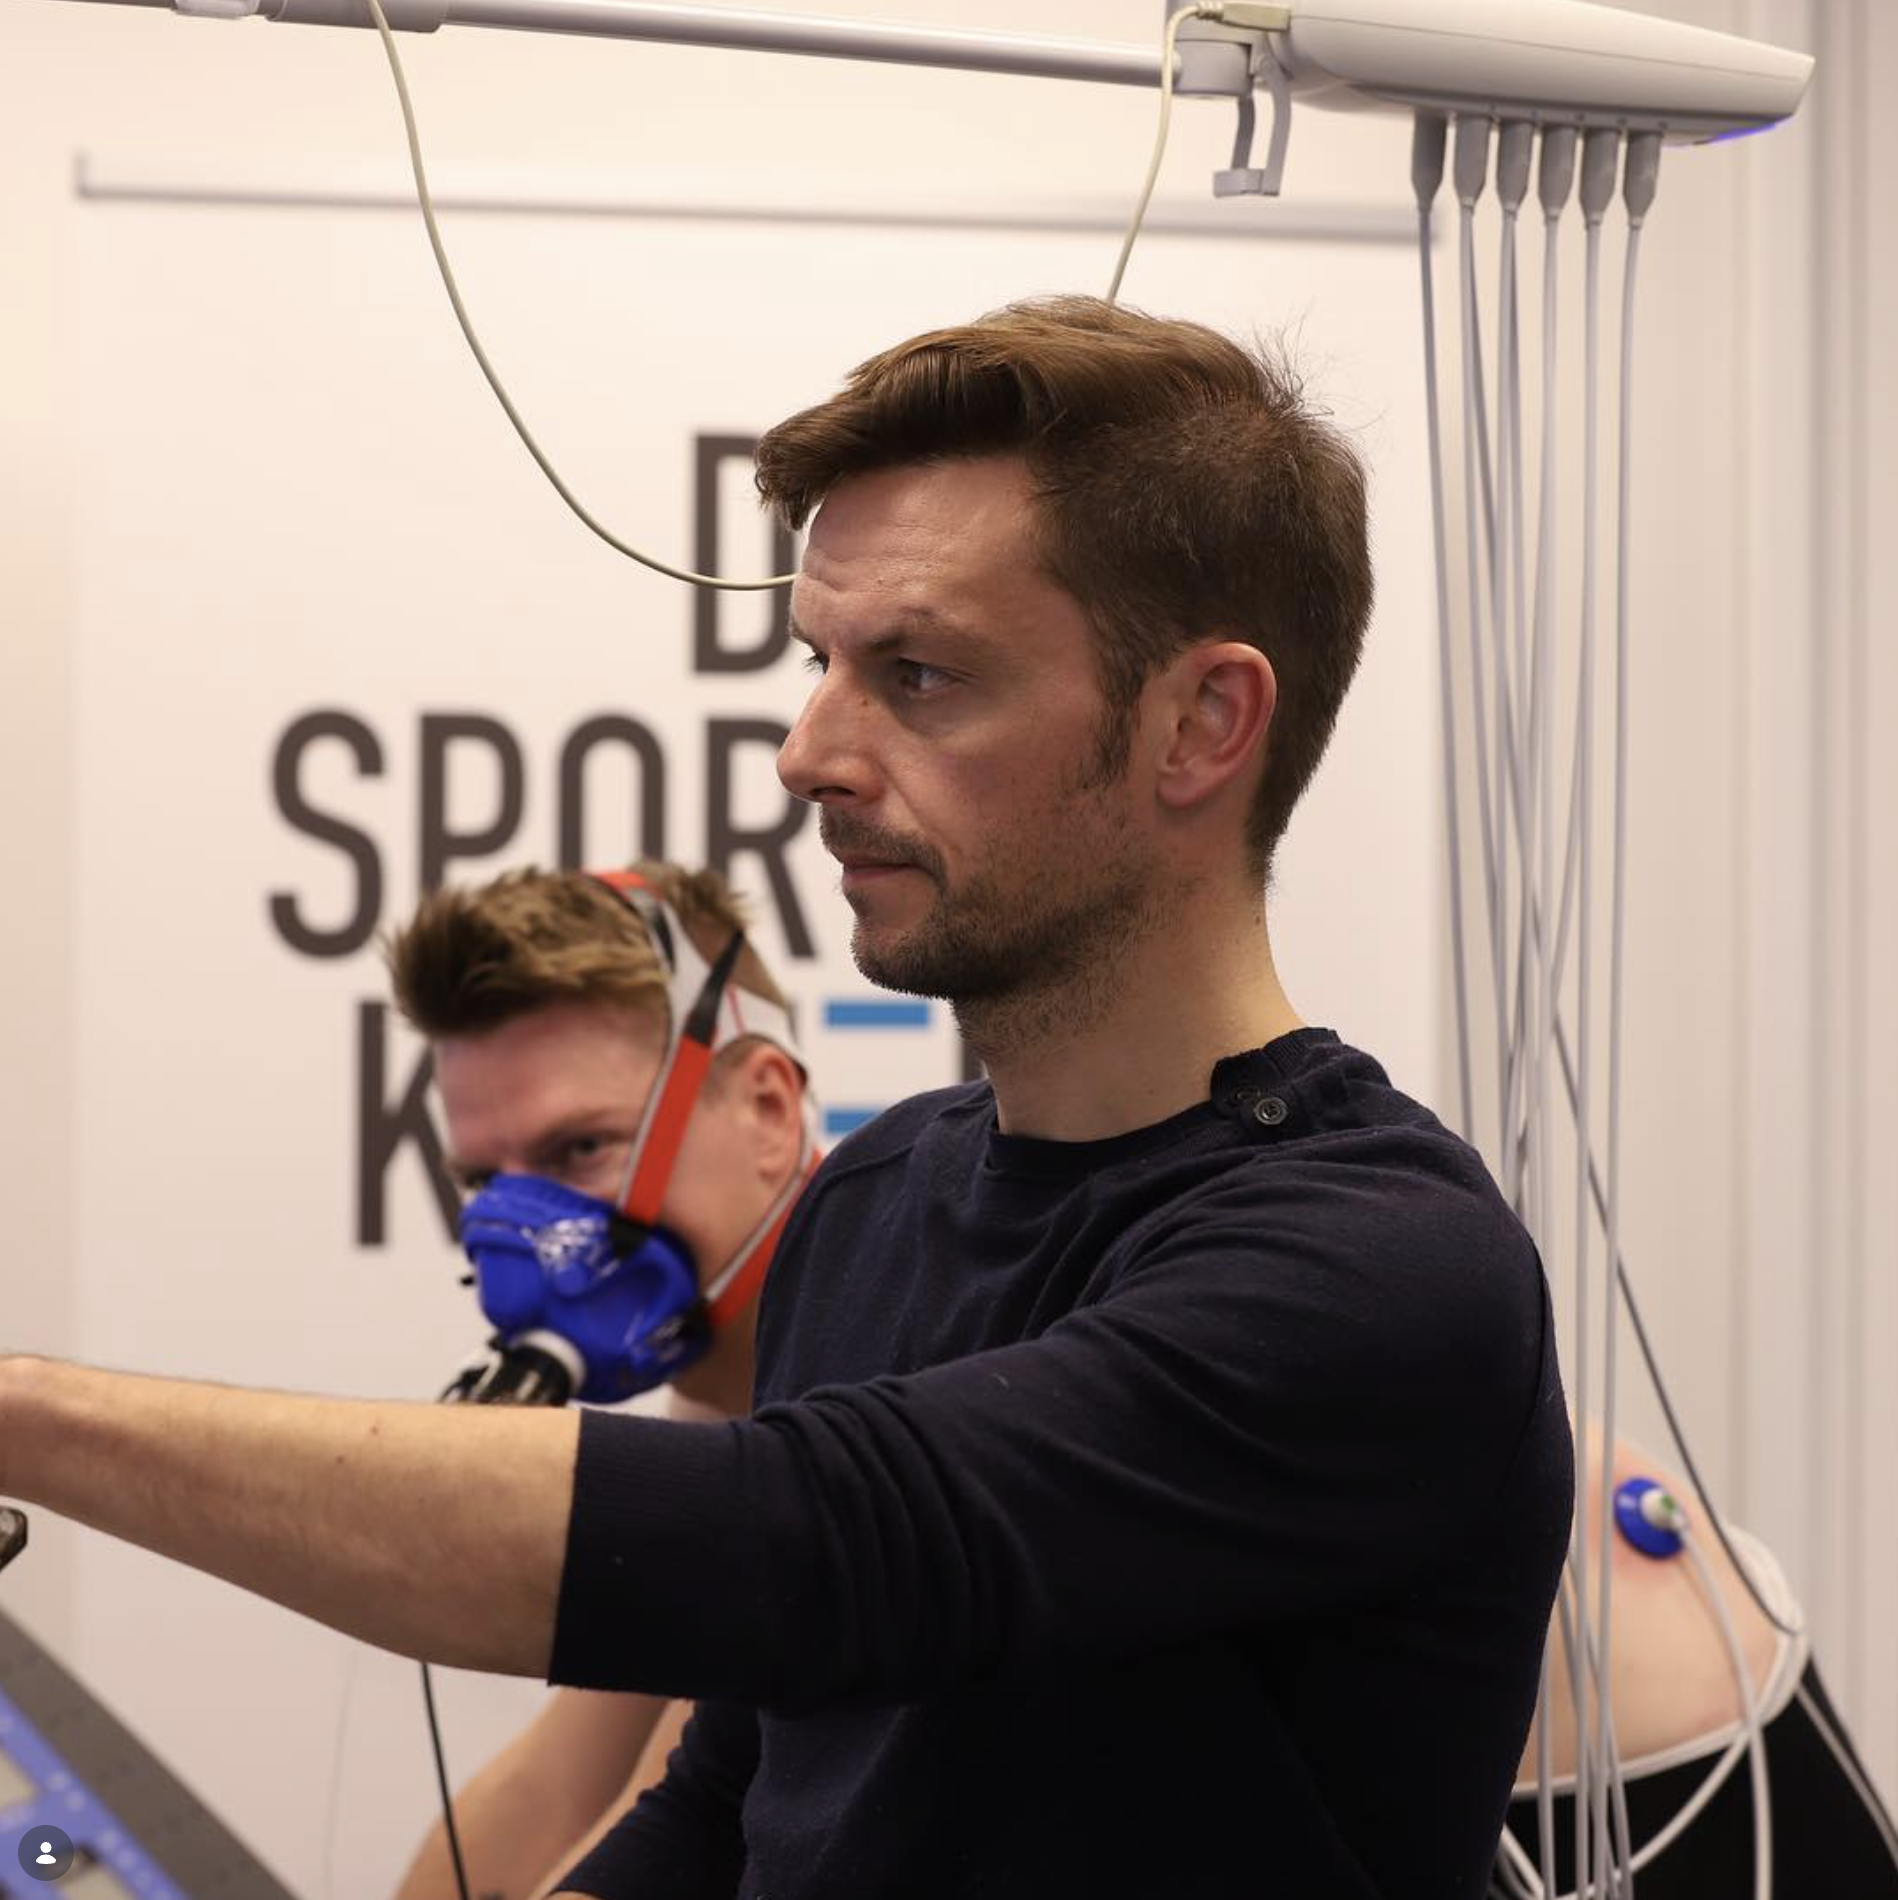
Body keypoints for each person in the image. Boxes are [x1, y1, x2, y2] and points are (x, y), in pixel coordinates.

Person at [0, 295, 1573, 1900]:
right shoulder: (879, 1201)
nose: (809, 750)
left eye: (918, 674)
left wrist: (25, 1414)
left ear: (1199, 724)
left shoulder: (1374, 1267)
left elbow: (818, 1553)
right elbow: (729, 1809)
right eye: (820, 666)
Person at [385, 861, 816, 1900]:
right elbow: (550, 1789)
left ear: (765, 1110)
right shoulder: (715, 1405)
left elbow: (664, 1829)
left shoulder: (892, 1385)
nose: (521, 1234)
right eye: (488, 1181)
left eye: (579, 1147)